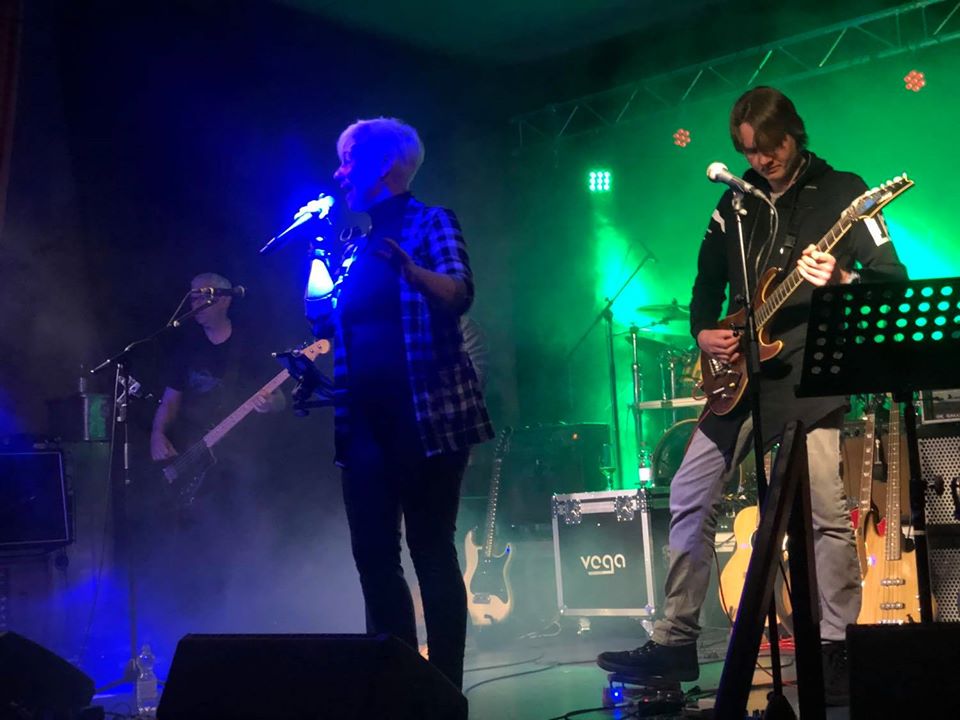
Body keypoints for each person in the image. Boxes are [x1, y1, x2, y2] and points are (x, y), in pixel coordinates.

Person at [596, 87, 907, 706]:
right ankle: (676, 640)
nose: (762, 161)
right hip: (738, 377)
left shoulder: (847, 192)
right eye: (749, 152)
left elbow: (892, 283)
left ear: (795, 132)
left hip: (808, 379)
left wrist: (841, 277)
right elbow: (706, 279)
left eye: (771, 147)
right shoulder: (736, 203)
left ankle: (836, 647)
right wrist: (702, 331)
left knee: (823, 516)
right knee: (688, 496)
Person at [305, 117, 493, 690]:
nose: (338, 171)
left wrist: (412, 271)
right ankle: (399, 688)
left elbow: (459, 292)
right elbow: (322, 320)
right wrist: (317, 253)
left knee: (430, 550)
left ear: (383, 164)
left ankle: (444, 691)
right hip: (362, 424)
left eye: (348, 159)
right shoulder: (356, 244)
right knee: (373, 557)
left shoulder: (432, 221)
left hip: (426, 416)